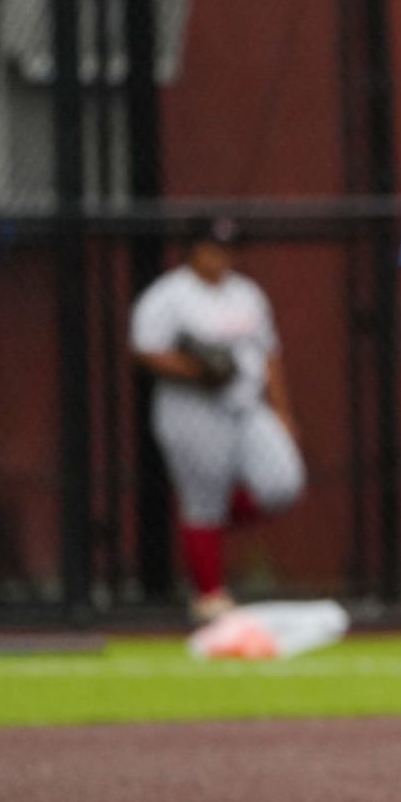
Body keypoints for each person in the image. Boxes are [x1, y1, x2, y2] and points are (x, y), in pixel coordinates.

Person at [129, 219, 306, 622]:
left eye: (227, 249)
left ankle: (206, 535)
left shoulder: (246, 293)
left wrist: (282, 412)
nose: (221, 257)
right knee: (201, 501)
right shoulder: (170, 296)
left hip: (245, 404)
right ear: (193, 250)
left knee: (282, 483)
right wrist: (195, 369)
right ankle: (210, 596)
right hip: (192, 409)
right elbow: (144, 350)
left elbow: (269, 354)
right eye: (212, 248)